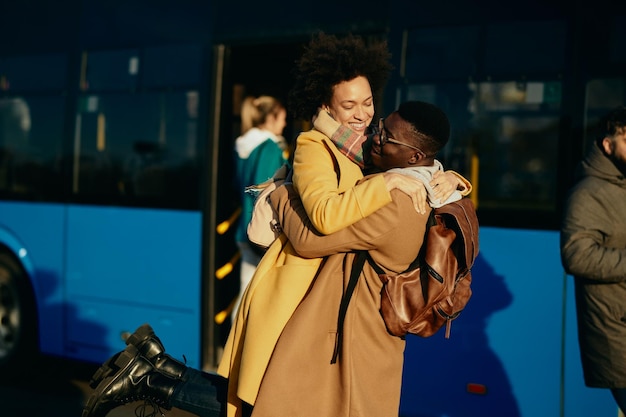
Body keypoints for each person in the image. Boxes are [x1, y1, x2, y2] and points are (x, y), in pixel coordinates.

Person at [82, 33, 467, 417]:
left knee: (264, 401)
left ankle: (154, 371)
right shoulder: (320, 149)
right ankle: (150, 376)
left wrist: (452, 178)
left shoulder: (371, 155)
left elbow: (412, 162)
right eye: (349, 104)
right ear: (328, 106)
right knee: (262, 402)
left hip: (324, 301)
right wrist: (294, 189)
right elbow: (319, 224)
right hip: (295, 291)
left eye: (368, 103)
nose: (365, 117)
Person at [560, 105, 626, 414]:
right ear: (607, 145)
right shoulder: (588, 192)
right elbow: (577, 256)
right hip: (618, 335)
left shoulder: (620, 186)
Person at [232, 95, 288, 320]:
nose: (284, 124)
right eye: (282, 118)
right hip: (262, 232)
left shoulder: (243, 147)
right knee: (258, 295)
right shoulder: (269, 149)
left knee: (247, 289)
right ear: (272, 117)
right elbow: (266, 191)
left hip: (244, 229)